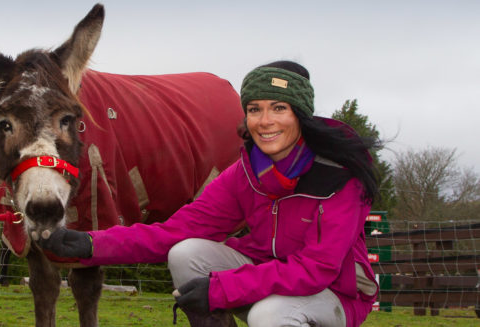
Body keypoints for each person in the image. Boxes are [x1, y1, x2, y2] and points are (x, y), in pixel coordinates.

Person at [40, 60, 379, 327]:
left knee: (270, 317)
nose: (265, 121)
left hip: (333, 293)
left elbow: (316, 268)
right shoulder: (246, 173)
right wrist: (93, 244)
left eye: (279, 108)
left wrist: (220, 290)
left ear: (300, 115)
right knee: (185, 253)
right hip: (267, 274)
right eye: (255, 108)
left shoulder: (340, 175)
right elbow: (177, 231)